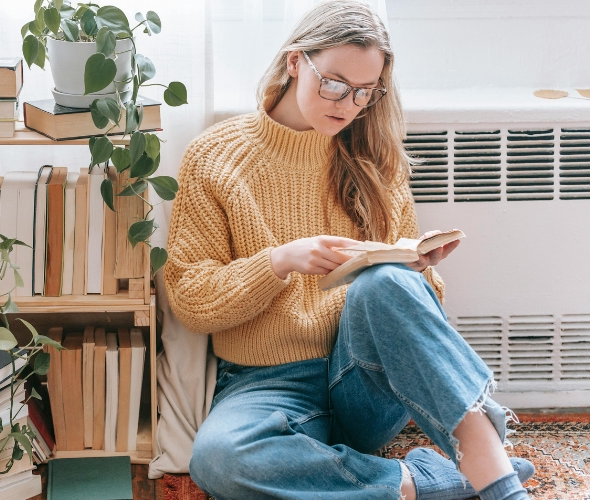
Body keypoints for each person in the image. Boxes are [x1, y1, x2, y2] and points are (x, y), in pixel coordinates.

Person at [162, 1, 535, 499]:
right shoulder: (216, 157)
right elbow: (190, 297)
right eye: (334, 82)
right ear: (296, 61)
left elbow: (416, 321)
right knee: (217, 461)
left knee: (387, 280)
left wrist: (416, 271)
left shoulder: (375, 157)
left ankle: (496, 478)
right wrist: (278, 262)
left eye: (364, 92)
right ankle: (421, 481)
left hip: (366, 376)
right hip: (267, 384)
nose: (346, 103)